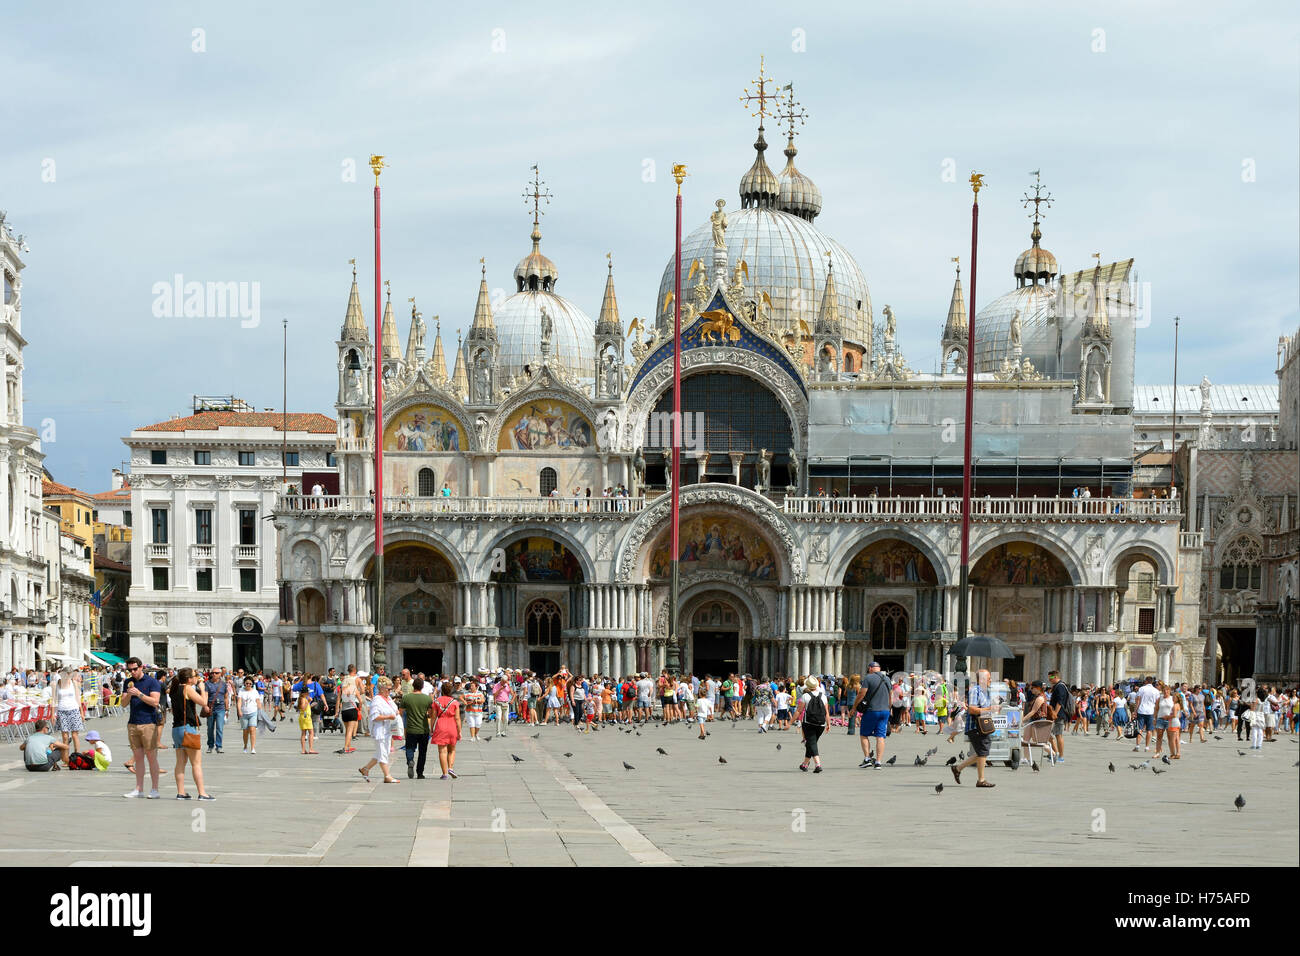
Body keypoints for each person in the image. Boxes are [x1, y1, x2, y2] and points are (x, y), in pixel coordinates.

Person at [168, 668, 213, 800]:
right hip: (188, 728)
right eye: (195, 676)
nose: (197, 678)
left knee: (180, 762)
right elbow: (203, 702)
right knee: (196, 763)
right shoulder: (187, 688)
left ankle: (181, 792)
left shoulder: (174, 689)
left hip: (176, 728)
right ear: (189, 679)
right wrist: (203, 688)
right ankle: (202, 793)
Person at [123, 657, 164, 799]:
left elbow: (155, 702)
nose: (132, 672)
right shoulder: (128, 682)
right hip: (133, 723)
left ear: (141, 667)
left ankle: (154, 789)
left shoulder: (152, 682)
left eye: (135, 669)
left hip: (148, 723)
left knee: (151, 757)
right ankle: (139, 789)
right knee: (139, 758)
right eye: (130, 670)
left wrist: (139, 694)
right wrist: (129, 693)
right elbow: (123, 704)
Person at [951, 669, 996, 788]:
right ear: (982, 679)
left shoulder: (985, 691)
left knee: (982, 752)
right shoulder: (974, 691)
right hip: (976, 726)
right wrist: (990, 709)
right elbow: (972, 709)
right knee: (982, 751)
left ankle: (958, 768)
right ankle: (981, 780)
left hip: (983, 726)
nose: (990, 680)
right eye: (989, 678)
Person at [851, 661, 892, 769]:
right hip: (885, 711)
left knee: (864, 734)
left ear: (870, 668)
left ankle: (867, 758)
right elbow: (890, 696)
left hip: (872, 711)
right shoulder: (887, 679)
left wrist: (854, 707)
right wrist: (889, 708)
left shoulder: (868, 678)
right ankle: (878, 762)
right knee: (880, 736)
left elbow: (861, 694)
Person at [359, 676, 400, 783]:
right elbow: (374, 717)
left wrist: (396, 713)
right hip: (380, 730)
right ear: (381, 689)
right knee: (382, 753)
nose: (390, 691)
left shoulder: (389, 699)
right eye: (388, 689)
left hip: (388, 729)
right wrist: (388, 717)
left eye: (391, 689)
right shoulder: (377, 700)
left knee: (383, 752)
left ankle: (365, 769)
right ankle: (387, 776)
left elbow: (394, 710)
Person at [399, 677, 433, 779]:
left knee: (409, 748)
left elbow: (400, 712)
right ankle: (420, 773)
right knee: (422, 752)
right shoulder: (427, 699)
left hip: (411, 728)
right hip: (423, 729)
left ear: (413, 686)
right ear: (422, 686)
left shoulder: (406, 698)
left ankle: (410, 760)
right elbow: (430, 714)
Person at [429, 680, 461, 779]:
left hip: (441, 725)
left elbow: (433, 717)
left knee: (442, 751)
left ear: (442, 690)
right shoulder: (454, 702)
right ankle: (450, 767)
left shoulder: (436, 701)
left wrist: (431, 729)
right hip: (451, 725)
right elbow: (457, 718)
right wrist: (459, 731)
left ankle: (444, 773)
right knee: (452, 749)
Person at [796, 676, 828, 773]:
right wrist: (829, 723)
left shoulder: (805, 696)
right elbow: (827, 711)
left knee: (812, 743)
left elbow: (798, 711)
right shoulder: (823, 696)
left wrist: (789, 722)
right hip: (821, 724)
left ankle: (818, 764)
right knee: (811, 743)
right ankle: (804, 764)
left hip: (809, 723)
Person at [53, 669, 85, 756]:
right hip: (62, 710)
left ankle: (76, 756)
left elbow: (78, 699)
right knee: (65, 736)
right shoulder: (58, 684)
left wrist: (81, 712)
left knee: (75, 735)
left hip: (74, 709)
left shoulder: (73, 683)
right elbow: (54, 700)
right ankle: (65, 758)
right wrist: (52, 714)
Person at [1046, 671, 1071, 762]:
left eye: (1050, 677)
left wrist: (1055, 714)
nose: (1049, 679)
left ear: (1055, 676)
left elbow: (1060, 702)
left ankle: (1061, 756)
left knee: (1058, 735)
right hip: (1055, 714)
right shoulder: (1058, 686)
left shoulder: (1060, 686)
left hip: (1059, 715)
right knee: (1050, 734)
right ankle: (1055, 753)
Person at [203, 669, 229, 753]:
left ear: (220, 674)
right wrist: (205, 706)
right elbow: (206, 695)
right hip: (211, 708)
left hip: (220, 708)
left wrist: (227, 709)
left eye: (216, 673)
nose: (214, 674)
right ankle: (210, 745)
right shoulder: (207, 684)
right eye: (213, 673)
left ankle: (219, 746)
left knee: (219, 728)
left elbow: (226, 697)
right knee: (210, 728)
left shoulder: (223, 684)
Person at [236, 677, 260, 753]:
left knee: (252, 730)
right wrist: (239, 710)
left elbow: (258, 701)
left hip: (253, 712)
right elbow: (239, 702)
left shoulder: (255, 692)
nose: (248, 685)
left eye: (250, 683)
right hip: (244, 713)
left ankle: (253, 748)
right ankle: (245, 746)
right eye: (247, 683)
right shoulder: (241, 691)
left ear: (252, 684)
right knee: (245, 731)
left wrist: (260, 711)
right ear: (244, 684)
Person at [296, 684, 318, 754]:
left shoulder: (302, 699)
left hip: (303, 717)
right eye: (308, 692)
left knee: (303, 733)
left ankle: (303, 750)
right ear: (305, 693)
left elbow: (304, 708)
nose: (309, 693)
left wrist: (311, 705)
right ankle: (311, 749)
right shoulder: (303, 699)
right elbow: (303, 708)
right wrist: (308, 701)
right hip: (306, 718)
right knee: (311, 732)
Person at [490, 673, 512, 737]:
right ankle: (498, 732)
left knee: (506, 718)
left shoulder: (507, 685)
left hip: (505, 703)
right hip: (498, 702)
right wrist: (500, 689)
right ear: (501, 680)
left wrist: (509, 686)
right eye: (503, 681)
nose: (504, 683)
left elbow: (512, 693)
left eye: (505, 682)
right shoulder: (496, 685)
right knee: (498, 717)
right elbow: (494, 695)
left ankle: (504, 732)